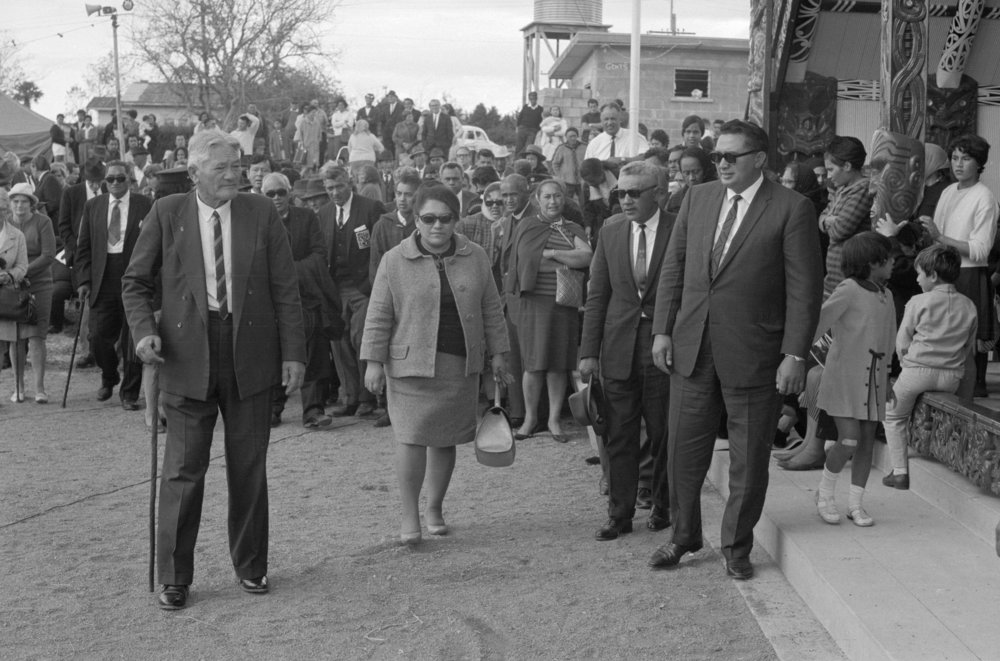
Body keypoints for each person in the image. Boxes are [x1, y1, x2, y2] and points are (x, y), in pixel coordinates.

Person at [122, 129, 306, 610]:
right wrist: (144, 332)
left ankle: (251, 566)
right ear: (193, 173)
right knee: (183, 470)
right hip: (186, 356)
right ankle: (174, 577)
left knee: (249, 467)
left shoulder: (261, 212)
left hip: (252, 355)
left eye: (236, 166)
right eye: (221, 167)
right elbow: (135, 282)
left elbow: (286, 288)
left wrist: (294, 353)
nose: (232, 175)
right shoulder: (166, 213)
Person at [648, 120, 823, 579]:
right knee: (683, 451)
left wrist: (795, 354)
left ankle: (736, 548)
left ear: (759, 159)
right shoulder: (698, 198)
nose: (721, 164)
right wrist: (662, 330)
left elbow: (804, 290)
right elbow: (674, 268)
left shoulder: (792, 208)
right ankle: (684, 536)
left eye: (731, 156)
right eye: (717, 156)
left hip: (755, 353)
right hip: (691, 348)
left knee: (748, 459)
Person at [360, 184, 511, 544]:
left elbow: (492, 308)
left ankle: (435, 508)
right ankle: (409, 515)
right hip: (409, 367)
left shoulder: (476, 256)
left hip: (458, 365)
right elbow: (378, 314)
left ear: (456, 220)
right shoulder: (393, 260)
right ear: (416, 220)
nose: (437, 225)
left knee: (445, 440)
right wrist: (373, 362)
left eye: (445, 218)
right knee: (410, 438)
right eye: (428, 219)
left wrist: (499, 355)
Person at [579, 161, 676, 540]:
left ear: (659, 194)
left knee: (663, 432)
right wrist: (588, 352)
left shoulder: (678, 229)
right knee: (618, 434)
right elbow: (597, 295)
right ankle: (619, 514)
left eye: (635, 193)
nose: (626, 200)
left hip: (663, 348)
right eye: (621, 192)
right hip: (618, 348)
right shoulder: (611, 231)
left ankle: (663, 506)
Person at [812, 232, 896, 527]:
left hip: (875, 379)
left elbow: (889, 340)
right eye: (889, 258)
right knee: (848, 439)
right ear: (872, 261)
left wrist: (888, 378)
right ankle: (824, 495)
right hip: (844, 379)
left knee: (866, 443)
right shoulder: (848, 288)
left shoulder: (887, 295)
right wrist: (794, 356)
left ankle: (855, 504)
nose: (893, 262)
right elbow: (818, 321)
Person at [881, 244, 976, 491]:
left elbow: (902, 341)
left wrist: (906, 364)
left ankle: (899, 472)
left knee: (892, 416)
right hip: (951, 377)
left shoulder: (918, 301)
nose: (917, 279)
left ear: (932, 275)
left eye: (920, 274)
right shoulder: (969, 305)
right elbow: (968, 346)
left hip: (917, 372)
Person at [504, 179, 592, 442]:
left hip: (563, 303)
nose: (553, 201)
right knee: (533, 364)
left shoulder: (572, 227)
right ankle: (530, 419)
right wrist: (567, 257)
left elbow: (586, 257)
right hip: (533, 303)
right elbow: (526, 261)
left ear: (564, 199)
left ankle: (554, 420)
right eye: (547, 197)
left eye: (557, 196)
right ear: (537, 200)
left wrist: (552, 253)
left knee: (558, 364)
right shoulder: (527, 226)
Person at [921, 135, 997, 398]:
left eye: (966, 159)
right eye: (954, 158)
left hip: (968, 274)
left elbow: (980, 250)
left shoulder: (984, 196)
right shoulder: (948, 191)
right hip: (943, 271)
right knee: (942, 338)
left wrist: (941, 237)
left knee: (967, 344)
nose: (959, 164)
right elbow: (937, 236)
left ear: (979, 163)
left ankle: (969, 395)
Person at [262, 172, 336, 430]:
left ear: (290, 193)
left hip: (306, 296)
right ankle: (272, 408)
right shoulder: (257, 221)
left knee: (313, 352)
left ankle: (314, 411)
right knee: (273, 353)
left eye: (281, 192)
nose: (276, 198)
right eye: (270, 194)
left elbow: (319, 254)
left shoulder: (306, 218)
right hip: (271, 300)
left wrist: (289, 272)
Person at [75, 162, 153, 407]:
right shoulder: (93, 206)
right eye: (111, 179)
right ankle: (109, 376)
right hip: (103, 276)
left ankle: (129, 394)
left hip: (134, 276)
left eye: (121, 178)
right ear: (104, 182)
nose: (116, 183)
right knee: (98, 336)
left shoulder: (146, 204)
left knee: (132, 339)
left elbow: (155, 244)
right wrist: (83, 280)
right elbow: (83, 246)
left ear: (129, 179)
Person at [317, 165, 386, 418]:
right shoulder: (324, 213)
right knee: (339, 341)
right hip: (335, 288)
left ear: (349, 182)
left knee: (361, 338)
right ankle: (350, 397)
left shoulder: (370, 208)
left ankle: (369, 397)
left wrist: (375, 284)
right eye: (329, 188)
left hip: (363, 287)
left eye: (339, 186)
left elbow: (380, 248)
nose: (335, 192)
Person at [5, 185, 56, 403]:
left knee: (36, 336)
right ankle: (18, 387)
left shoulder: (43, 222)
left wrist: (22, 271)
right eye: (15, 201)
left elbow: (48, 255)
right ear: (10, 203)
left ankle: (39, 389)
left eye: (24, 201)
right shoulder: (5, 223)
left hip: (39, 284)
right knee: (15, 337)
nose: (19, 205)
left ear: (32, 203)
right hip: (10, 287)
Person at [820, 136, 873, 299]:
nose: (829, 176)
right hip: (833, 279)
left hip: (850, 278)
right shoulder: (842, 189)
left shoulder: (863, 189)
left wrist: (830, 220)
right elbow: (821, 218)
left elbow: (839, 231)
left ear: (847, 166)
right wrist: (829, 220)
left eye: (831, 170)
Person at [0, 191, 28, 399]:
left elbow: (22, 266)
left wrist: (9, 275)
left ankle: (19, 387)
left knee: (13, 341)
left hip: (7, 294)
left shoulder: (17, 235)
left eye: (2, 209)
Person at [585, 104, 649, 166]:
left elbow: (647, 157)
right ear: (601, 121)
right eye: (606, 119)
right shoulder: (594, 144)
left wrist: (623, 160)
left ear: (619, 119)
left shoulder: (635, 137)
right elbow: (587, 168)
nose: (609, 123)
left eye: (613, 119)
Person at [551, 127, 585, 200]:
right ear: (566, 137)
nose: (573, 138)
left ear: (577, 136)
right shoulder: (561, 148)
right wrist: (561, 176)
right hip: (567, 182)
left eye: (574, 136)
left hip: (582, 181)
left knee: (584, 201)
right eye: (570, 136)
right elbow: (555, 164)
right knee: (567, 201)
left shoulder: (584, 147)